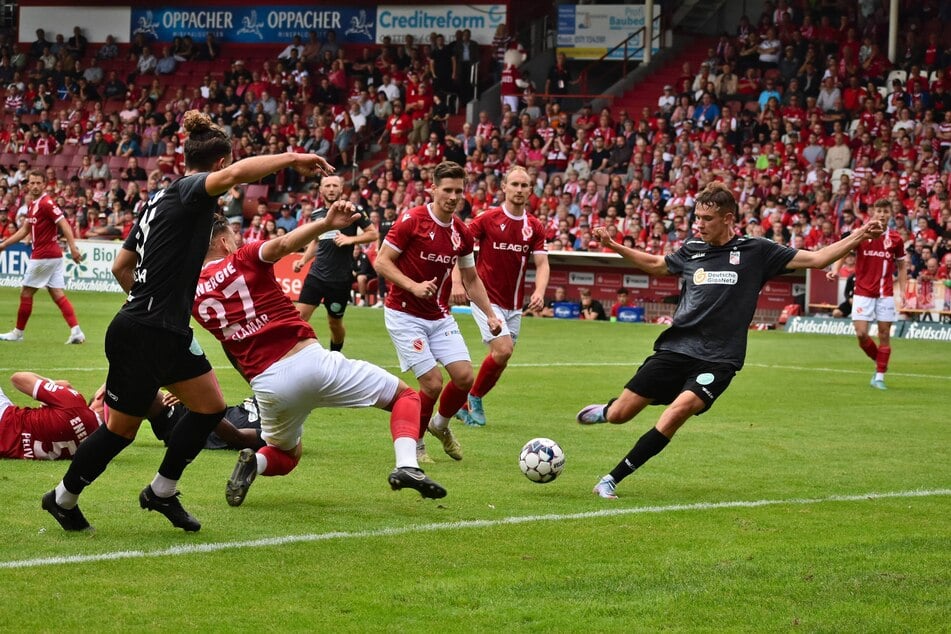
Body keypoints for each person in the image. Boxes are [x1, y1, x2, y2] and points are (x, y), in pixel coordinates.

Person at [42, 111, 334, 533]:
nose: (230, 186)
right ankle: (63, 498)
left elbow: (121, 266)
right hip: (148, 331)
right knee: (120, 430)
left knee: (210, 408)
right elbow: (236, 173)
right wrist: (292, 157)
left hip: (160, 330)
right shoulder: (190, 191)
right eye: (226, 173)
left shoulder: (154, 200)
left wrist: (156, 307)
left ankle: (161, 491)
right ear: (218, 166)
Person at [577, 182, 885, 500]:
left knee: (677, 412)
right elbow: (656, 264)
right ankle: (607, 410)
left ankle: (610, 479)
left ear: (727, 219)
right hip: (676, 348)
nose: (699, 224)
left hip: (720, 358)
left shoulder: (757, 252)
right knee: (620, 416)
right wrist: (614, 244)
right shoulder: (692, 250)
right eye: (697, 217)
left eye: (707, 218)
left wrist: (860, 234)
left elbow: (819, 259)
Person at [194, 208, 445, 506]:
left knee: (287, 454)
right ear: (224, 243)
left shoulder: (190, 293)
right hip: (309, 362)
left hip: (267, 385)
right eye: (233, 238)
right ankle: (408, 466)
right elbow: (284, 244)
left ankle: (255, 464)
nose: (237, 242)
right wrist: (325, 224)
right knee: (406, 398)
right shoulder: (243, 257)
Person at [373, 161, 502, 463]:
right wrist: (413, 286)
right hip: (404, 314)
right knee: (431, 382)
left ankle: (440, 426)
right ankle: (416, 443)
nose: (453, 196)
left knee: (464, 377)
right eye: (447, 190)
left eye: (459, 191)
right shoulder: (411, 221)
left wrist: (491, 314)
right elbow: (381, 262)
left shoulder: (462, 233)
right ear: (433, 189)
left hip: (438, 315)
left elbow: (470, 278)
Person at [451, 166, 549, 427]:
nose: (519, 190)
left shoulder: (535, 226)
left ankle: (463, 403)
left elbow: (541, 264)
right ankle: (474, 397)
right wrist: (457, 282)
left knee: (502, 357)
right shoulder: (487, 219)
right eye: (514, 184)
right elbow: (459, 248)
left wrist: (539, 292)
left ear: (530, 190)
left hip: (514, 304)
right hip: (486, 298)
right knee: (503, 349)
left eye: (524, 185)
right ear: (504, 187)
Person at [292, 175, 378, 352]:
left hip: (340, 279)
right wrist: (303, 260)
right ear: (321, 190)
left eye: (335, 186)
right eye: (327, 186)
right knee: (299, 317)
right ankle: (294, 356)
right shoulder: (316, 214)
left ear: (341, 189)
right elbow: (316, 241)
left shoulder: (353, 210)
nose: (331, 189)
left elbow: (373, 234)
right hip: (316, 275)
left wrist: (350, 239)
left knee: (334, 324)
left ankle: (335, 356)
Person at [827, 199, 907, 389]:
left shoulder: (895, 239)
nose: (882, 214)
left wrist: (903, 291)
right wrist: (835, 269)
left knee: (884, 334)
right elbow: (844, 251)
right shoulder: (860, 235)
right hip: (862, 292)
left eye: (885, 211)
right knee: (862, 333)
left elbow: (902, 265)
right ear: (873, 213)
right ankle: (880, 361)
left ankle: (879, 376)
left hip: (885, 293)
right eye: (878, 210)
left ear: (890, 214)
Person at [0, 170, 85, 344]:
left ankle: (18, 333)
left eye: (39, 183)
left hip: (44, 255)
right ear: (28, 185)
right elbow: (24, 230)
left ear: (45, 184)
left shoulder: (46, 203)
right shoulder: (33, 204)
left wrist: (73, 247)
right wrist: (3, 245)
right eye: (32, 183)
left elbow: (64, 224)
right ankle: (76, 332)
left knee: (26, 292)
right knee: (57, 293)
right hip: (52, 256)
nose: (35, 186)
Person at [0, 372, 99, 460]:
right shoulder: (99, 444)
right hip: (6, 448)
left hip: (5, 420)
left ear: (100, 396)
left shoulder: (74, 404)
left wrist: (53, 383)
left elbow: (18, 378)